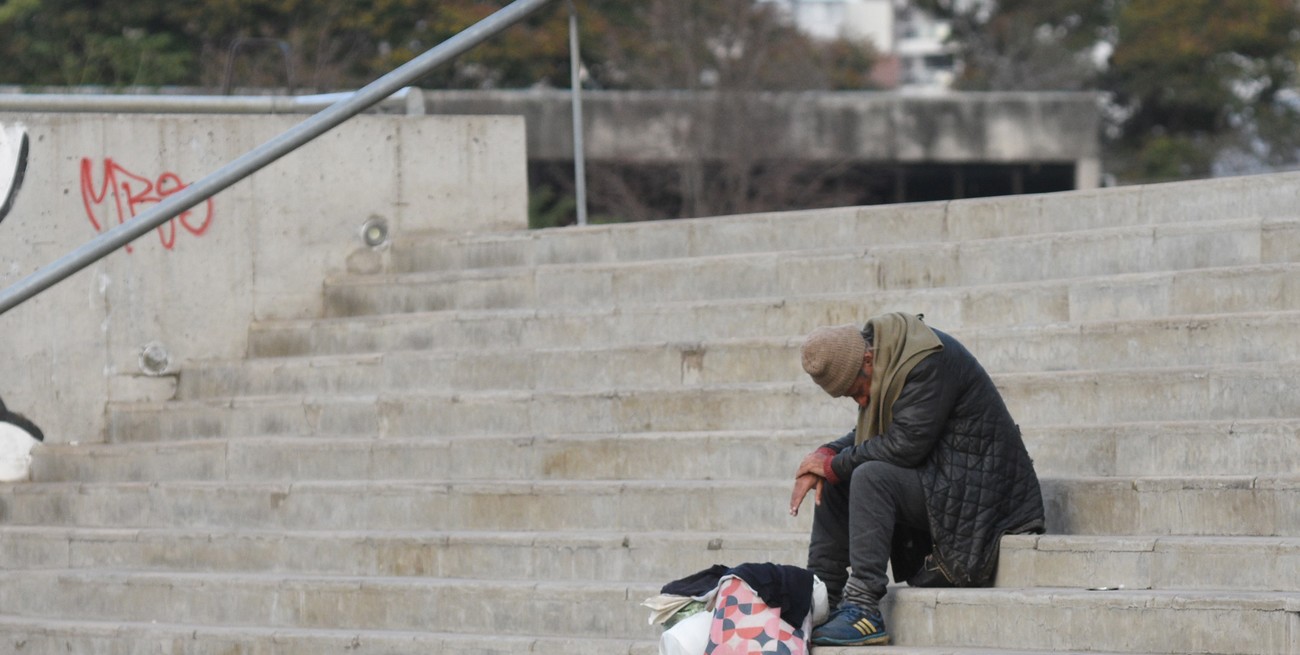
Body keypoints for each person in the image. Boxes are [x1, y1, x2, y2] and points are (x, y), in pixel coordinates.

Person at [789, 312, 1044, 646]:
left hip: (985, 499)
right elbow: (874, 436)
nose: (862, 402)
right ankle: (821, 600)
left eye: (858, 392)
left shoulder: (926, 362)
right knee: (839, 475)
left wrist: (835, 463)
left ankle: (864, 606)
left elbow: (905, 444)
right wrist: (822, 457)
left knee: (869, 476)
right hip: (944, 481)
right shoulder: (888, 357)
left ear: (868, 358)